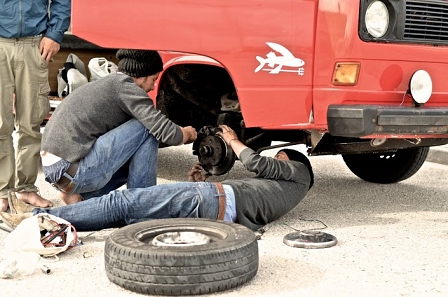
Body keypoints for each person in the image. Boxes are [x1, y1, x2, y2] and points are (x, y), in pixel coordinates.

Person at [0, 125, 314, 232]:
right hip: (218, 209)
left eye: (281, 157)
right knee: (128, 213)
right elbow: (246, 198)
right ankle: (49, 221)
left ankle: (39, 218)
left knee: (122, 202)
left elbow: (258, 163)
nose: (277, 159)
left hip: (215, 202)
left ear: (290, 161)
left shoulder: (298, 171)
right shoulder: (287, 192)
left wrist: (233, 141)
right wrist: (200, 185)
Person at [40, 49, 198, 205]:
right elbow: (167, 133)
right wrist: (187, 133)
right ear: (142, 75)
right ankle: (143, 206)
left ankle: (83, 196)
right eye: (153, 79)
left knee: (134, 154)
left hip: (60, 172)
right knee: (147, 127)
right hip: (72, 169)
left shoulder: (111, 84)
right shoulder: (127, 88)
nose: (153, 86)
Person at [0, 0, 71, 212]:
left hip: (34, 45)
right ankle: (3, 191)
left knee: (30, 124)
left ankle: (26, 188)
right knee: (0, 124)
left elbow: (61, 1)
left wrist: (54, 34)